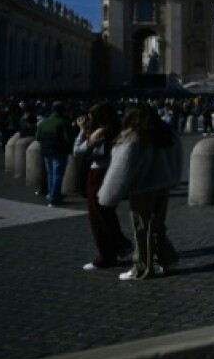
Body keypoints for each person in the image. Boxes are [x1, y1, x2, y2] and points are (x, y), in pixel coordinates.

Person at [99, 105, 183, 280]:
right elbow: (177, 159)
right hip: (163, 186)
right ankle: (168, 259)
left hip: (142, 189)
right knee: (157, 226)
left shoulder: (132, 138)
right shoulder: (167, 135)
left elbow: (120, 169)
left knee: (141, 228)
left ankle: (142, 267)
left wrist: (108, 195)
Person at [74, 102, 132, 270]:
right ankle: (121, 245)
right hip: (110, 171)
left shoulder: (100, 132)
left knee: (97, 216)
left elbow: (78, 151)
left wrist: (81, 131)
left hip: (97, 173)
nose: (88, 120)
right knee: (107, 213)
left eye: (91, 117)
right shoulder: (117, 128)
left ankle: (106, 256)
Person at [35, 101, 74, 206]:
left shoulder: (43, 122)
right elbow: (69, 138)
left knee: (51, 174)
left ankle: (51, 193)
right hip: (59, 151)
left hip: (46, 151)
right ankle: (54, 197)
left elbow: (37, 137)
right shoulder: (63, 122)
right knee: (58, 175)